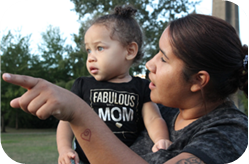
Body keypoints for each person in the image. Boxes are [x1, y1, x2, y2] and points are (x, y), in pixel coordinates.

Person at [2, 13, 248, 164]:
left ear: (198, 80)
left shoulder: (228, 132)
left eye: (163, 58)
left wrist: (78, 112)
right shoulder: (167, 109)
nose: (149, 63)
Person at [56, 6, 171, 164]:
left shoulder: (141, 87)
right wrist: (65, 148)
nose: (90, 57)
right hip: (85, 159)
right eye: (88, 50)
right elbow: (67, 121)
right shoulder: (83, 85)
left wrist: (160, 139)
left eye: (99, 48)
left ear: (129, 51)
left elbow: (153, 119)